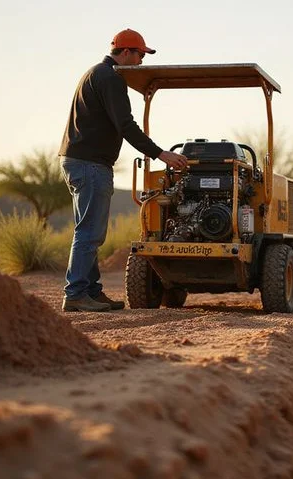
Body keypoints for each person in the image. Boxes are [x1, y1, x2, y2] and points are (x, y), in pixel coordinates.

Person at [59, 28, 188, 312]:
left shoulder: (93, 73)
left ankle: (90, 291)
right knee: (90, 232)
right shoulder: (111, 78)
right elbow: (126, 125)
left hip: (75, 159)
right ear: (127, 52)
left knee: (88, 229)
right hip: (91, 164)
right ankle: (77, 293)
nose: (142, 62)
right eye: (140, 55)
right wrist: (161, 154)